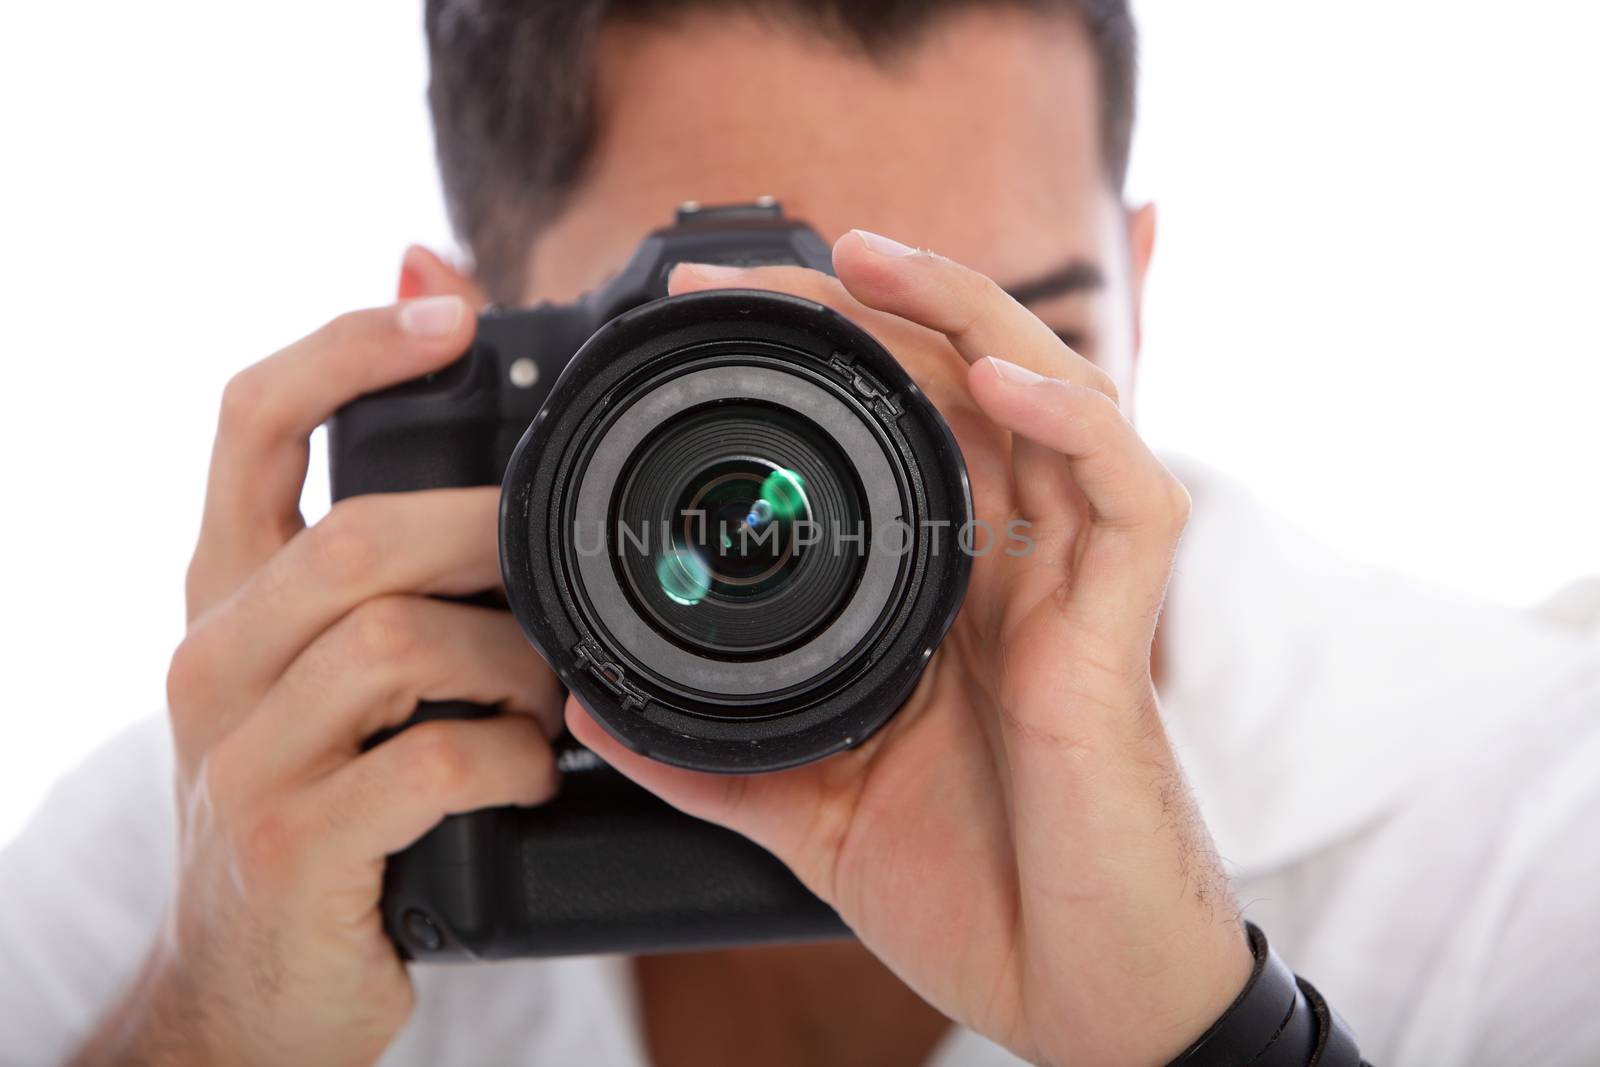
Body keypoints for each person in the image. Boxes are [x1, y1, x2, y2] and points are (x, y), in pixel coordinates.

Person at [2, 1, 1596, 1064]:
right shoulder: (230, 840)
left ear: (1141, 286)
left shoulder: (1523, 820)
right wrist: (208, 1023)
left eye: (1002, 337)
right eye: (748, 375)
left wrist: (1210, 1042)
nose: (890, 476)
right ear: (473, 347)